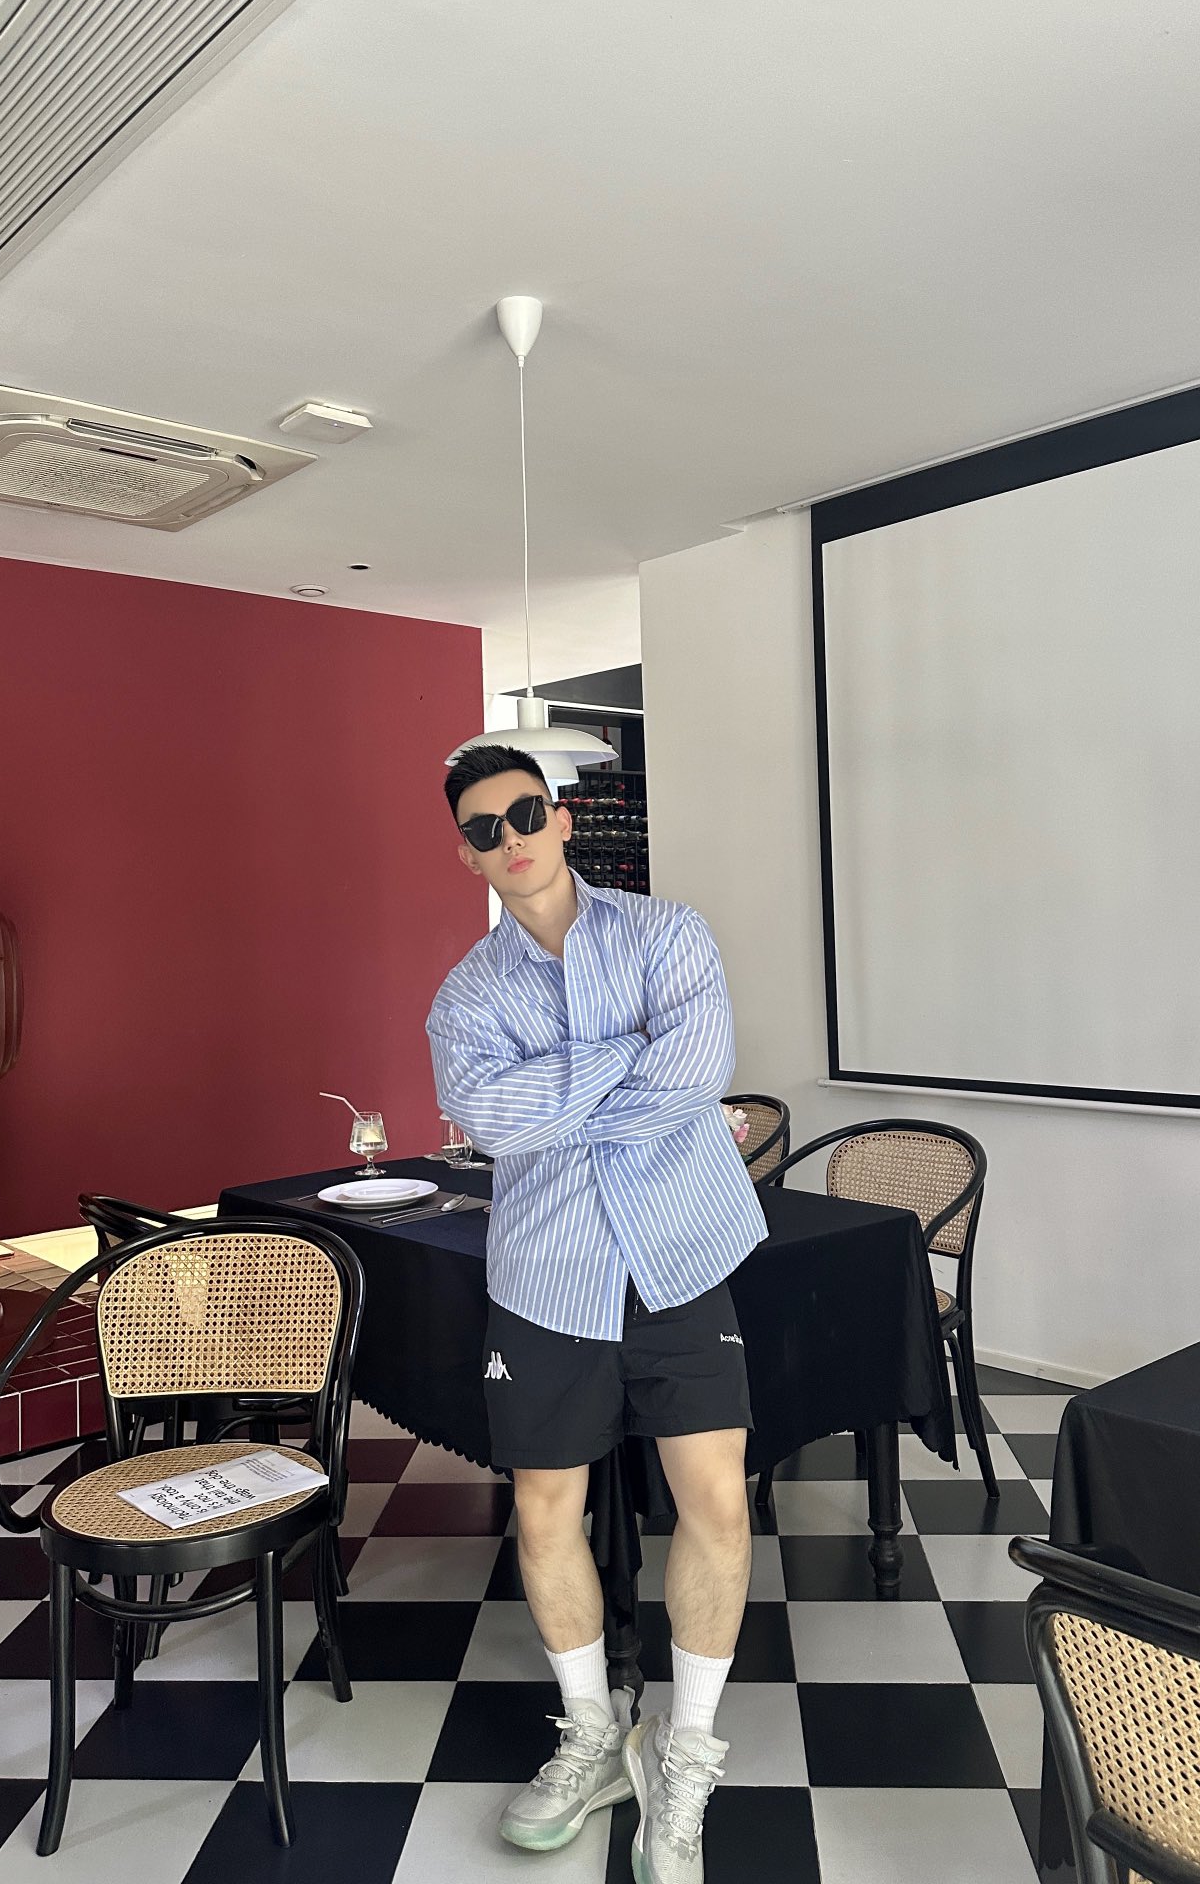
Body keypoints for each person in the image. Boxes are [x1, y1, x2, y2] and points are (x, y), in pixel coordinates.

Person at [426, 743, 767, 1884]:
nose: (511, 838)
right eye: (485, 829)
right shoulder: (468, 996)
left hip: (682, 1257)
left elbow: (701, 1068)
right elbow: (492, 1121)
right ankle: (592, 1736)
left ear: (562, 817)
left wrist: (568, 1097)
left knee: (715, 1504)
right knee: (544, 1512)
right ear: (467, 854)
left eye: (525, 812)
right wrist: (630, 1056)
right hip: (548, 1275)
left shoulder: (668, 933)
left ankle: (684, 1752)